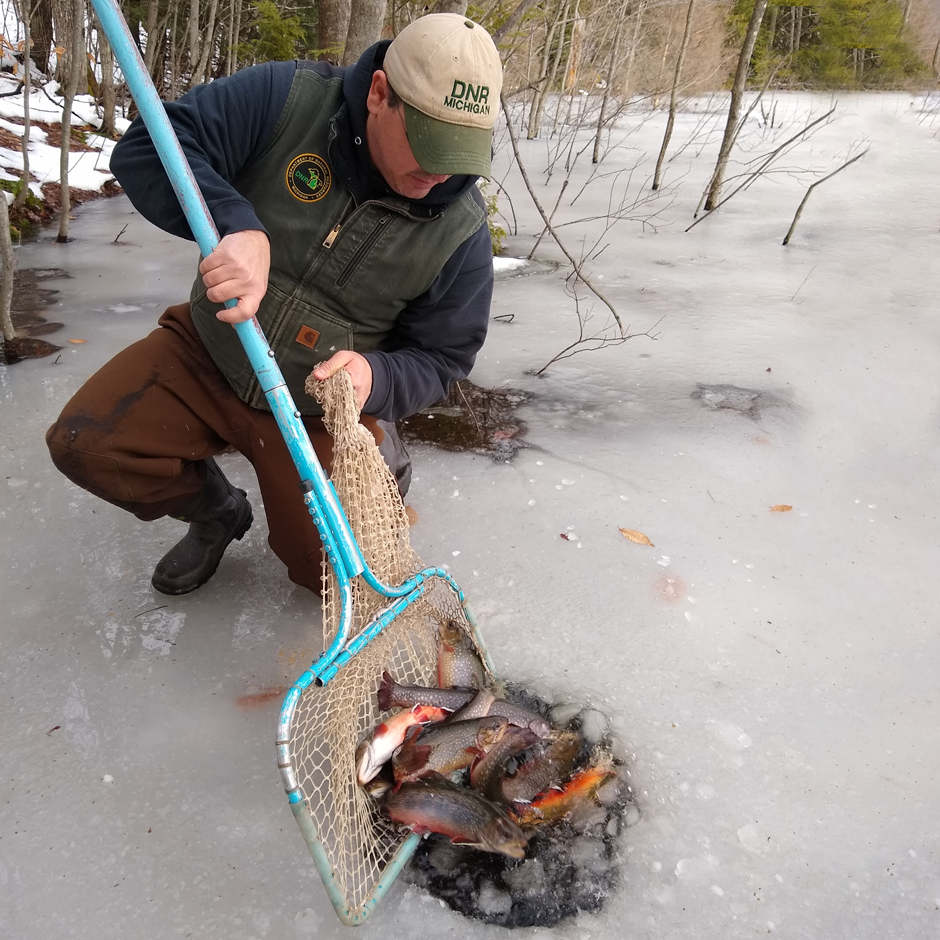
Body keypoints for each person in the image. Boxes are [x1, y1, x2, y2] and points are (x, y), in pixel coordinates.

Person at [45, 14, 503, 596]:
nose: (439, 173)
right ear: (380, 94)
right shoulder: (287, 99)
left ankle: (380, 462)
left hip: (317, 408)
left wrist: (376, 376)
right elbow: (147, 149)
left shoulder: (460, 234)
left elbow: (442, 358)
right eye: (429, 144)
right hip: (209, 349)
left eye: (460, 152)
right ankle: (216, 511)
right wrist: (235, 223)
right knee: (86, 445)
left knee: (335, 579)